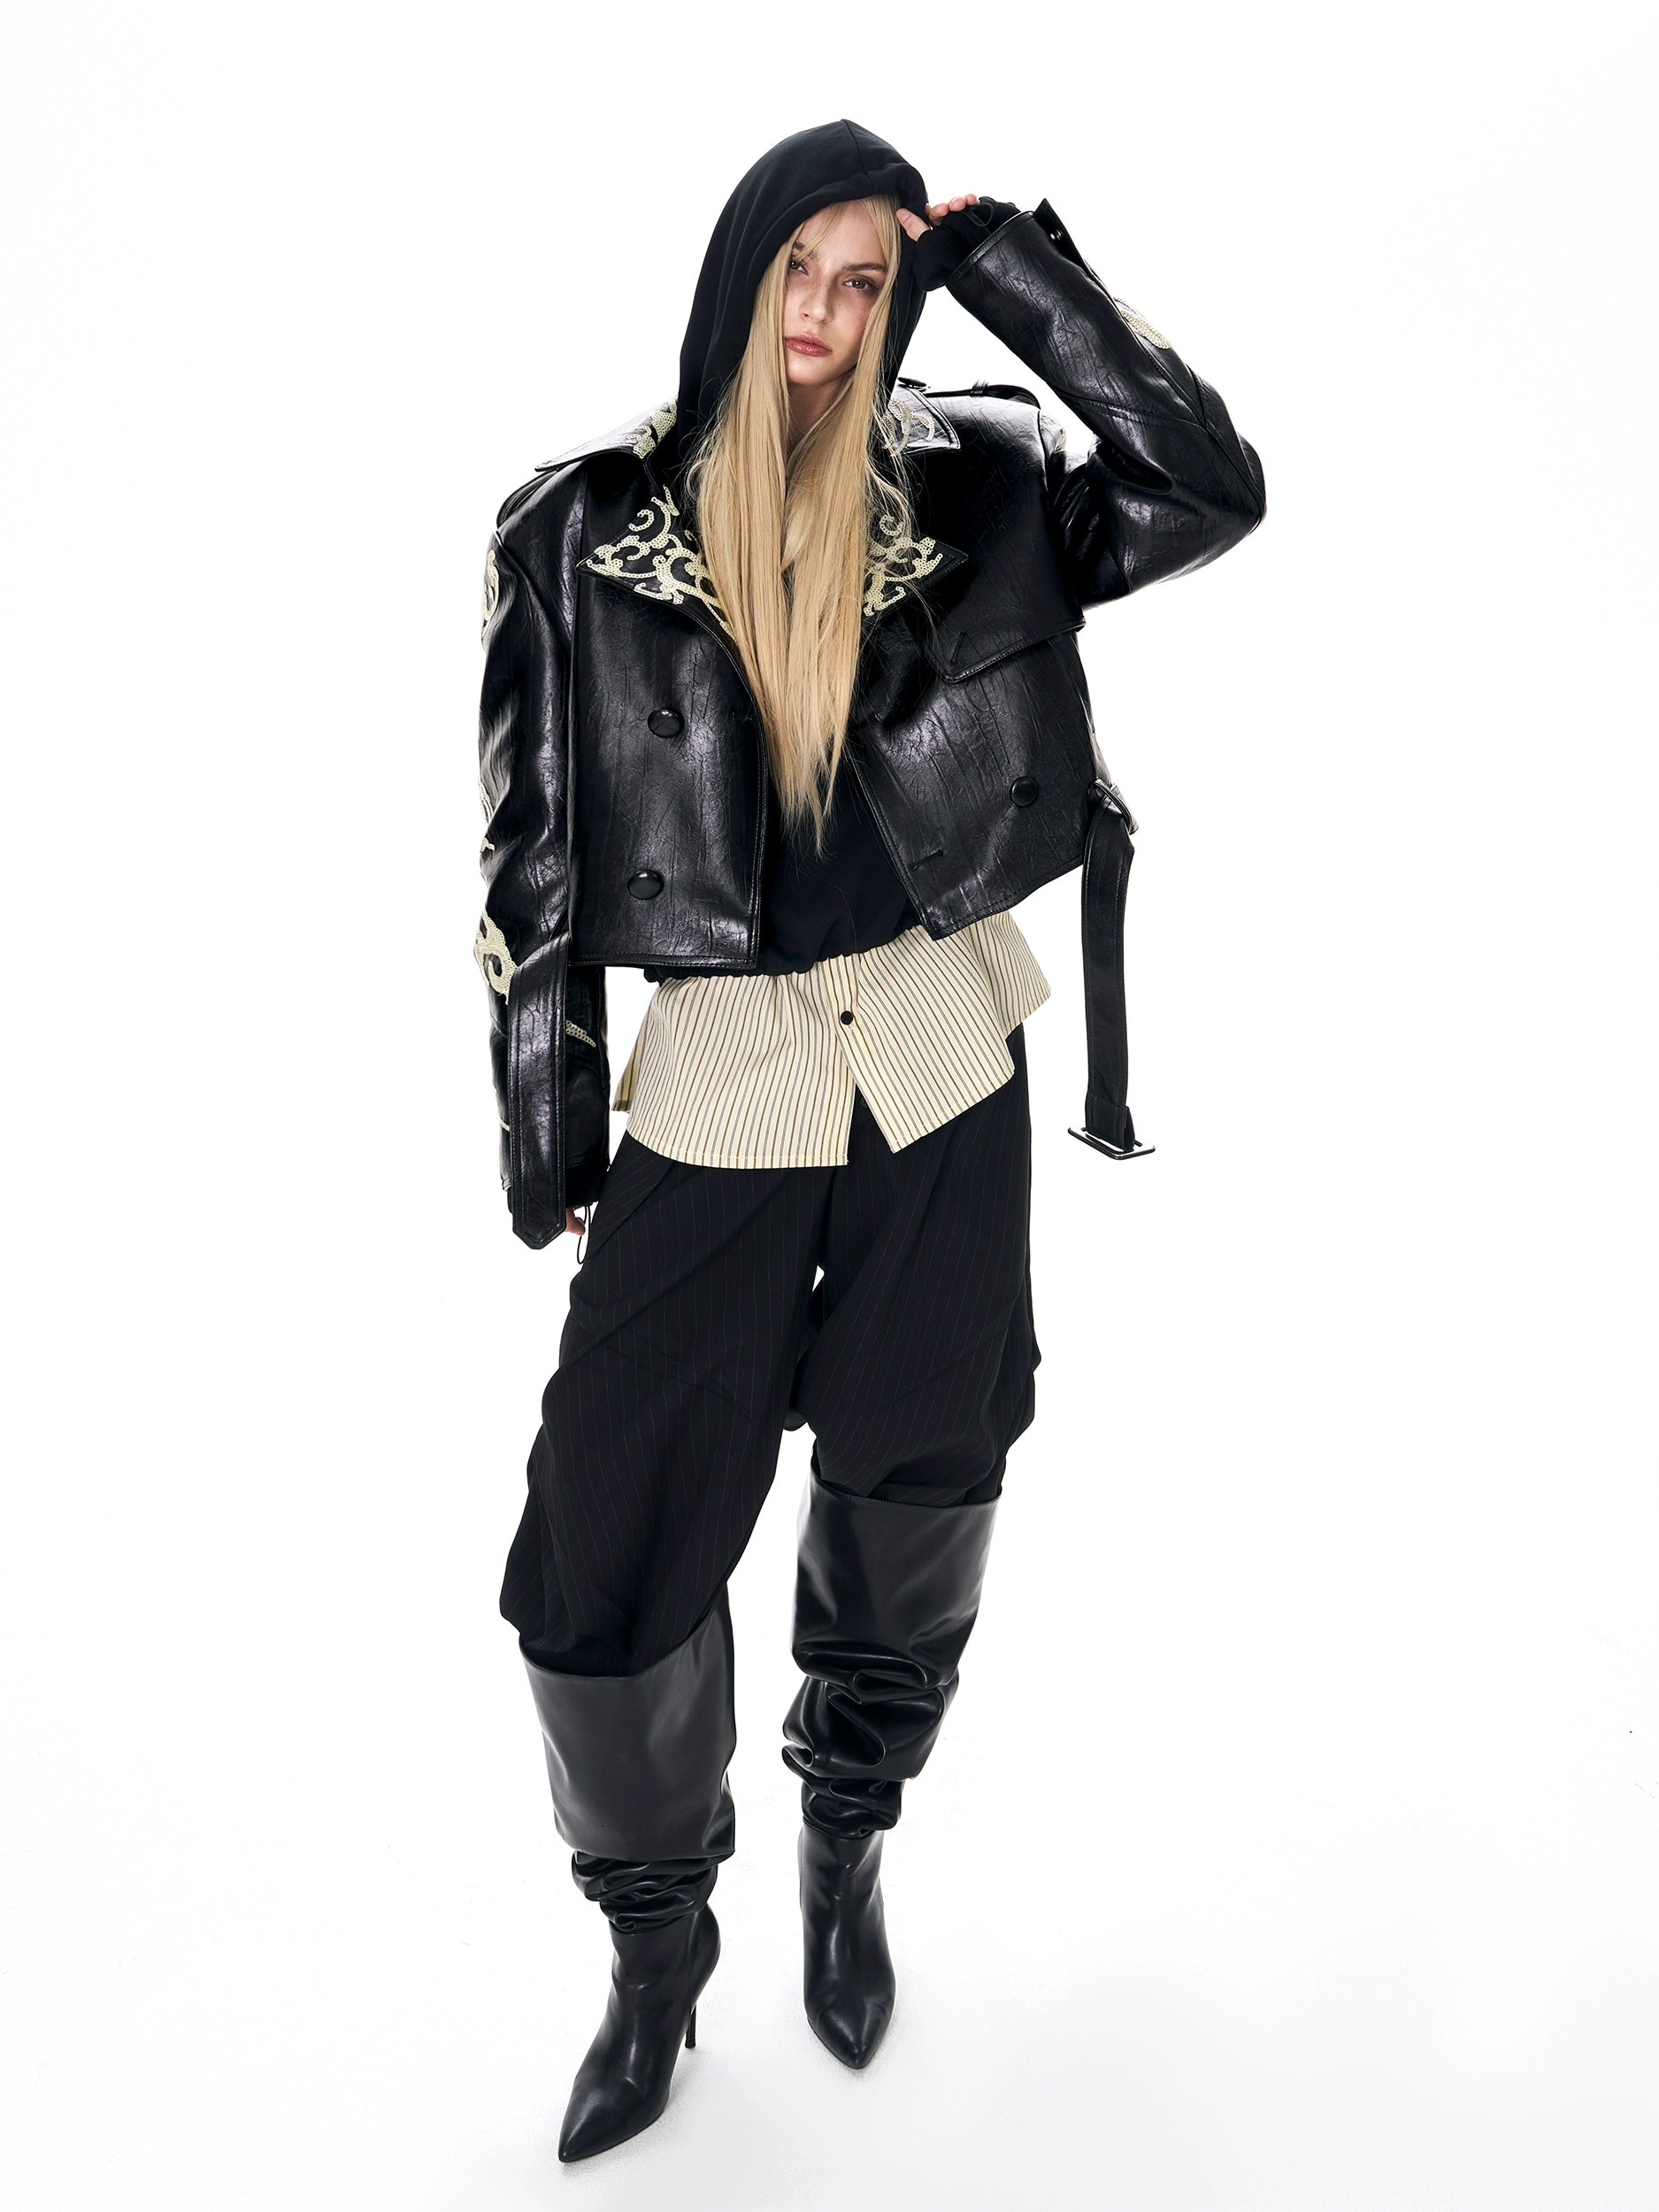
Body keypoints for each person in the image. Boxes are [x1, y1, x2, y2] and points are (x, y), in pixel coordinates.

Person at [474, 118, 1263, 2162]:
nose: (827, 314)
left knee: (924, 1467)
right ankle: (654, 1947)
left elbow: (1202, 485)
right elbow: (533, 856)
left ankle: (847, 1840)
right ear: (737, 269)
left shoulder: (982, 478)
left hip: (934, 1058)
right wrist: (552, 1133)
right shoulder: (582, 526)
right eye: (798, 269)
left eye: (865, 278)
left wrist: (1010, 270)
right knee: (604, 1545)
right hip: (721, 1086)